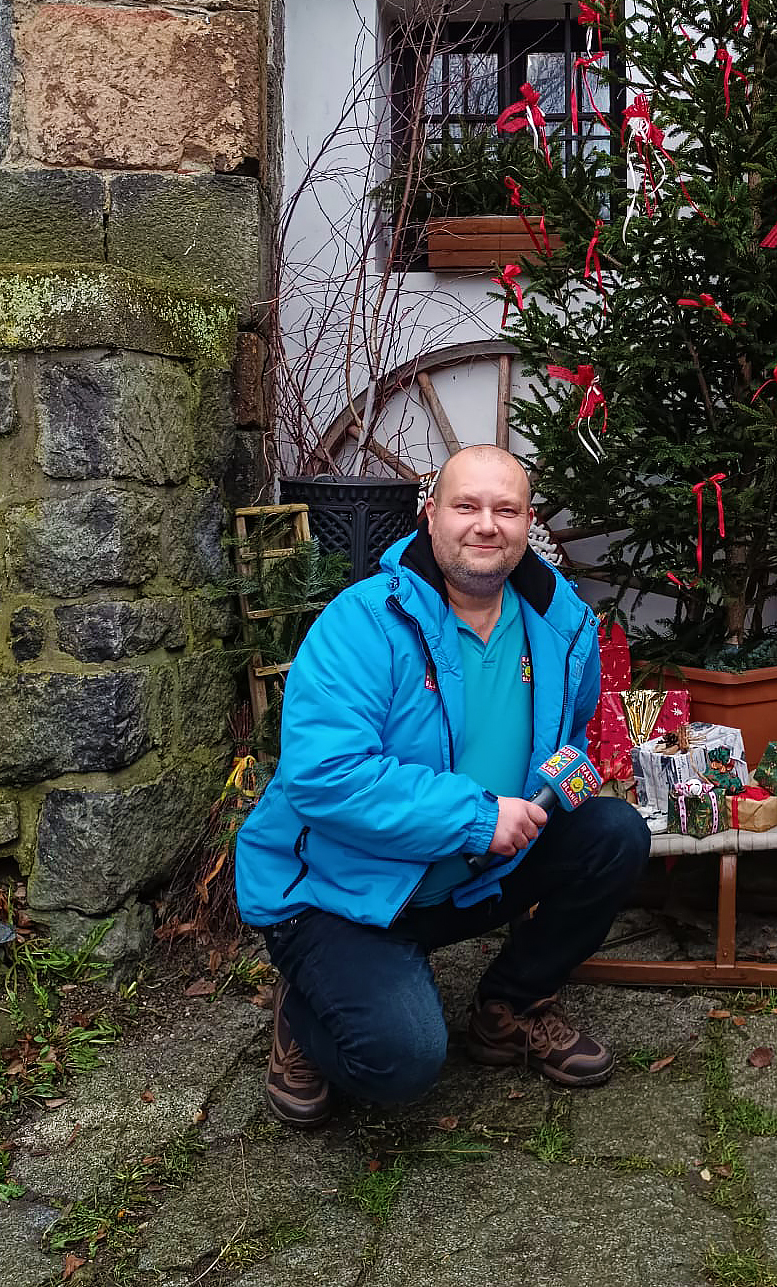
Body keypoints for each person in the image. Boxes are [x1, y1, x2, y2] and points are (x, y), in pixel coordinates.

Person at [234, 445, 651, 1127]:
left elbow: (569, 735)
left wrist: (549, 790)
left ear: (527, 522)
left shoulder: (561, 622)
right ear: (430, 517)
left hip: (473, 873)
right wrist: (478, 816)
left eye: (505, 509)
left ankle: (510, 1007)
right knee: (400, 1064)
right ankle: (303, 1007)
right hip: (342, 893)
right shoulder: (363, 622)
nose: (485, 524)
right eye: (466, 506)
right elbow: (323, 775)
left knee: (614, 834)